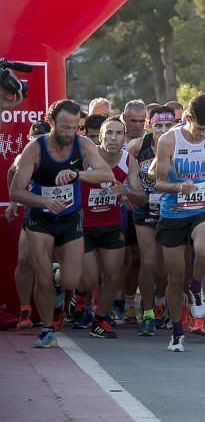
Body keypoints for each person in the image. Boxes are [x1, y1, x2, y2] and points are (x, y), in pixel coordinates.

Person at [9, 99, 115, 348]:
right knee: (42, 278)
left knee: (72, 281)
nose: (69, 133)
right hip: (40, 218)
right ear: (51, 123)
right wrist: (42, 199)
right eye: (64, 127)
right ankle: (47, 329)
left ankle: (58, 278)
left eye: (74, 128)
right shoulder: (35, 149)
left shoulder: (83, 144)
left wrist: (78, 174)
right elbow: (16, 191)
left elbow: (106, 174)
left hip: (70, 217)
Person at [154, 94, 205, 352]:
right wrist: (178, 186)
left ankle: (197, 286)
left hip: (204, 208)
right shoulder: (168, 141)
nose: (202, 134)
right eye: (199, 129)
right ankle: (177, 332)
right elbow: (159, 182)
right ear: (187, 118)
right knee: (175, 278)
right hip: (174, 211)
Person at [75, 117, 145, 338]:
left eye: (118, 133)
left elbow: (141, 197)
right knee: (90, 278)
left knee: (113, 277)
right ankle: (77, 293)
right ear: (101, 135)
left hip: (112, 224)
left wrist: (126, 192)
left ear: (124, 137)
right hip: (84, 225)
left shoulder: (128, 161)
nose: (113, 138)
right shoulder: (87, 156)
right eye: (109, 133)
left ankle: (99, 319)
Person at [128, 105, 175, 335]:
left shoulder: (180, 144)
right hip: (145, 209)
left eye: (168, 125)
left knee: (164, 268)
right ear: (150, 126)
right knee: (148, 263)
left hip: (170, 209)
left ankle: (159, 301)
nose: (164, 130)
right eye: (159, 126)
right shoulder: (138, 146)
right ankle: (146, 312)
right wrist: (128, 195)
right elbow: (122, 169)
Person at [5, 121, 50, 330]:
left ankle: (57, 309)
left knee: (55, 265)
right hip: (34, 214)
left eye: (43, 139)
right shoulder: (24, 157)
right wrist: (14, 201)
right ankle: (25, 309)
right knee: (24, 259)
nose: (38, 143)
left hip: (61, 216)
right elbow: (12, 173)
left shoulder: (61, 155)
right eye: (35, 139)